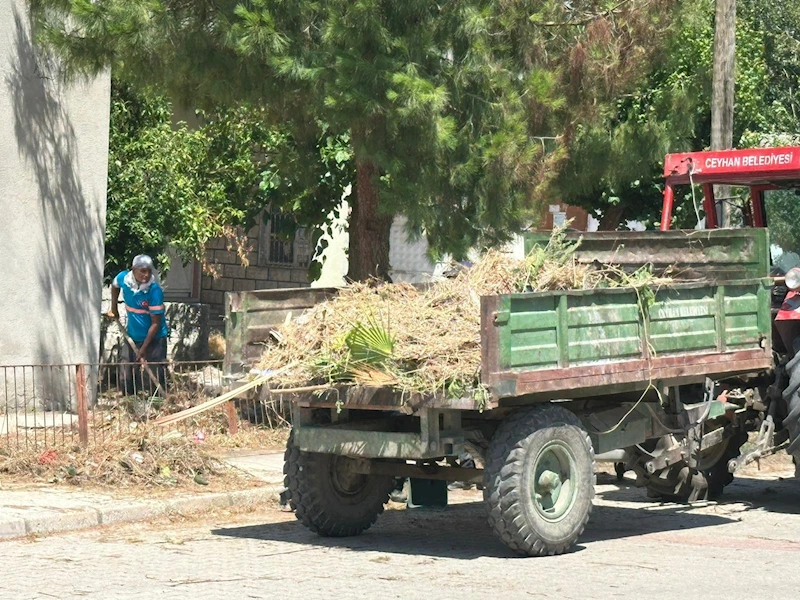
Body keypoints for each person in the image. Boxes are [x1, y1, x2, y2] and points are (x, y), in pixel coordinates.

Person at [107, 255, 170, 394]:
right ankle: (130, 401)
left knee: (155, 373)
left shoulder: (154, 292)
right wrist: (114, 308)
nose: (146, 275)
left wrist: (143, 349)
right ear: (133, 270)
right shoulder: (124, 279)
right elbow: (114, 285)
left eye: (149, 271)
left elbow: (155, 324)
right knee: (125, 370)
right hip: (133, 335)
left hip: (154, 338)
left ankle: (158, 403)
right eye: (142, 271)